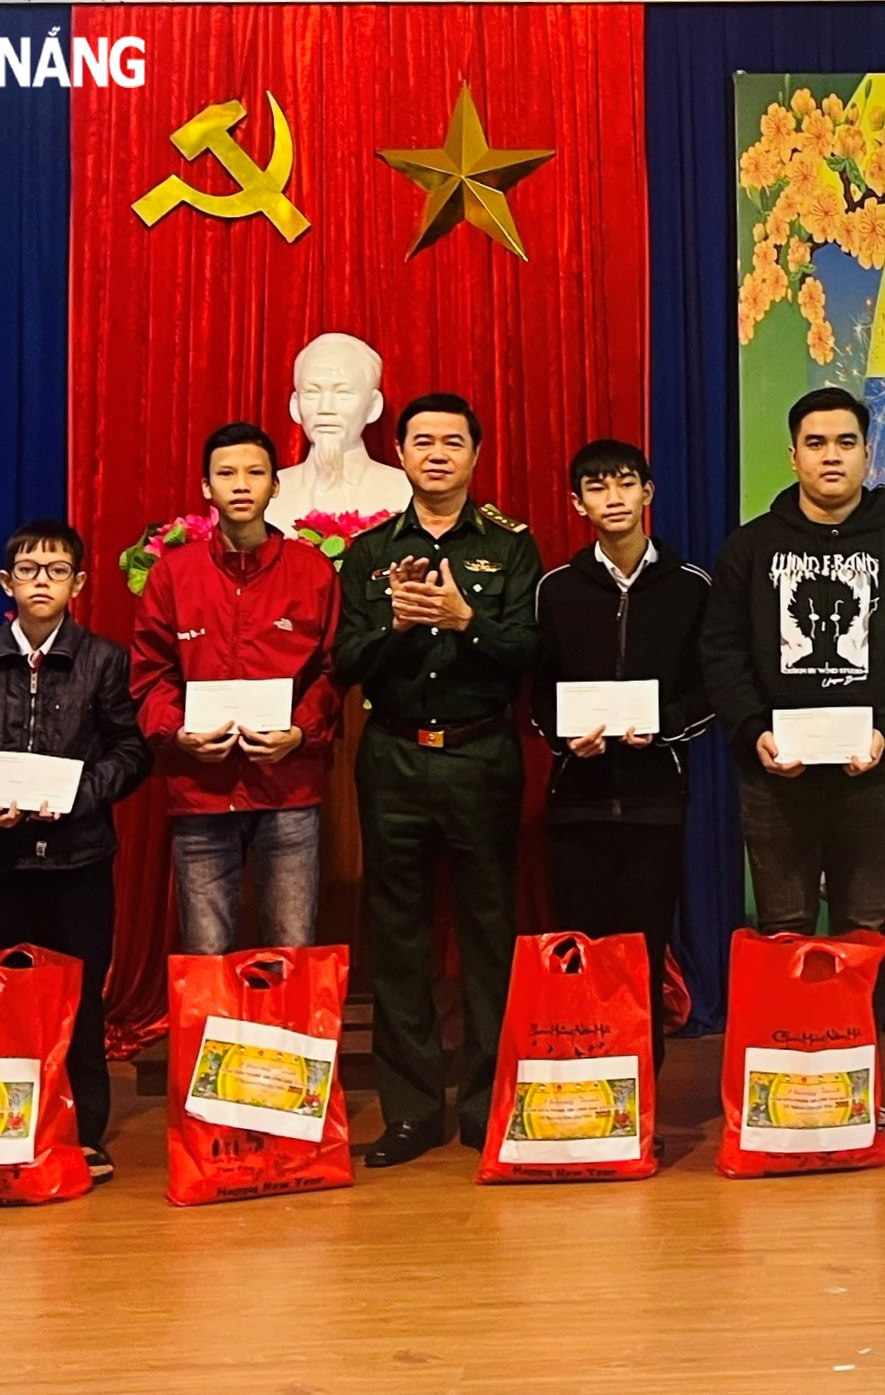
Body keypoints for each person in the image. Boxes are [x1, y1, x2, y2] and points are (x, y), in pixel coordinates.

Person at [701, 386, 885, 1149]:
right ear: (793, 454)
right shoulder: (751, 546)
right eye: (816, 443)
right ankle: (785, 1093)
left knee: (861, 931)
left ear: (865, 452)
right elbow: (721, 651)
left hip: (868, 777)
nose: (831, 455)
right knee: (780, 931)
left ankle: (855, 1088)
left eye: (845, 442)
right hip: (773, 775)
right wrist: (751, 731)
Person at [334, 393, 541, 1167]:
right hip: (392, 757)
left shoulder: (511, 547)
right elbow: (344, 664)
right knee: (399, 940)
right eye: (422, 441)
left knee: (489, 936)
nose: (438, 454)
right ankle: (412, 1111)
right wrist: (393, 622)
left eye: (453, 441)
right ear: (401, 451)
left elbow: (528, 651)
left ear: (475, 454)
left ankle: (488, 1104)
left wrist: (464, 621)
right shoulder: (369, 551)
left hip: (480, 756)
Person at [0, 520, 153, 1185]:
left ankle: (83, 1134)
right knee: (4, 997)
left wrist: (80, 794)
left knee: (79, 1000)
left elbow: (130, 752)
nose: (42, 581)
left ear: (79, 584)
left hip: (78, 857)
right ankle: (9, 1128)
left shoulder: (105, 661)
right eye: (29, 570)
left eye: (57, 571)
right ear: (7, 583)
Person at [531, 439, 713, 1081]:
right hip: (576, 799)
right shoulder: (555, 588)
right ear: (578, 503)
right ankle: (584, 1077)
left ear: (648, 493)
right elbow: (536, 687)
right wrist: (562, 736)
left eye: (626, 483)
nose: (614, 497)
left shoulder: (691, 586)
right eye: (598, 487)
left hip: (654, 800)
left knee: (643, 949)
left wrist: (663, 726)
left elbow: (708, 686)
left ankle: (642, 1086)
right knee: (582, 948)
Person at [131, 421, 342, 954]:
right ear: (207, 487)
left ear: (276, 485)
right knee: (205, 956)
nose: (241, 484)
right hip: (201, 790)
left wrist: (301, 731)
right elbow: (151, 671)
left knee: (291, 950)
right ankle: (209, 1043)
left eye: (255, 472)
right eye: (226, 473)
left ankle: (289, 1042)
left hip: (288, 787)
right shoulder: (172, 575)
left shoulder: (312, 570)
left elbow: (333, 670)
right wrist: (177, 732)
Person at [265, 332, 412, 534]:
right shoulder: (265, 495)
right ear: (295, 405)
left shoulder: (405, 491)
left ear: (373, 406)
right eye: (312, 392)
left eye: (343, 393)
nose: (326, 407)